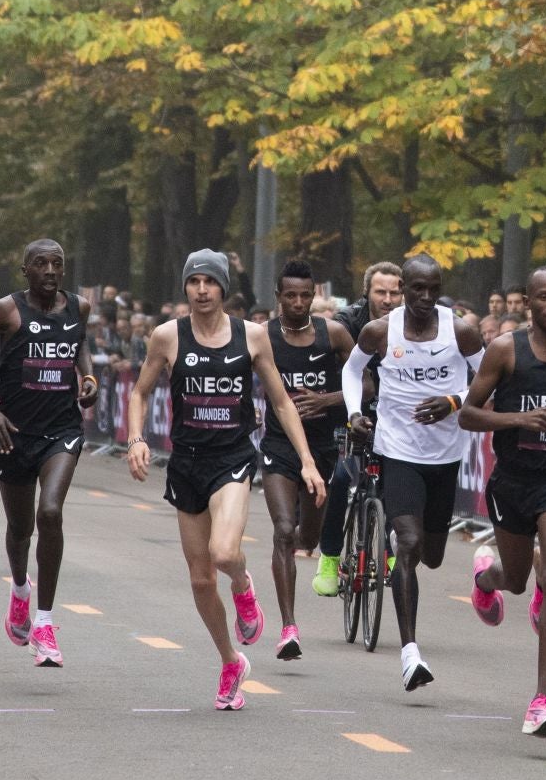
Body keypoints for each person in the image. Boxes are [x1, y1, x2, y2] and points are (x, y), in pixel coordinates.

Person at [126, 250, 325, 710]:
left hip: (232, 459)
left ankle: (242, 584)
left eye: (209, 282)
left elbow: (280, 402)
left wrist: (308, 461)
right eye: (193, 282)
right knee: (198, 580)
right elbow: (139, 392)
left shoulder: (251, 336)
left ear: (223, 288)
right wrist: (136, 437)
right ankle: (230, 660)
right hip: (187, 462)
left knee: (222, 553)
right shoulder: (166, 337)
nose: (200, 290)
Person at [460, 266, 546, 737]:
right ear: (529, 302)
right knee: (519, 580)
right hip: (514, 482)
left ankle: (545, 699)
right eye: (545, 297)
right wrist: (519, 420)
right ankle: (488, 578)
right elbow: (469, 415)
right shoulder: (506, 350)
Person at [341, 255, 484, 691]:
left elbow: (488, 378)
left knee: (433, 555)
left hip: (444, 454)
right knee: (409, 543)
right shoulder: (379, 331)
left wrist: (455, 401)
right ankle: (410, 654)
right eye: (416, 288)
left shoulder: (459, 330)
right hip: (398, 449)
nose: (424, 297)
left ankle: (419, 550)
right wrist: (353, 413)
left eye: (433, 289)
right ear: (403, 287)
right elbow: (351, 371)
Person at [0, 240, 98, 668]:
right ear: (25, 270)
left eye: (57, 263)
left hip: (61, 432)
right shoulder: (5, 310)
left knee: (49, 512)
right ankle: (20, 588)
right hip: (12, 433)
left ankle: (45, 622)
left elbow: (80, 344)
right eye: (41, 264)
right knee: (20, 529)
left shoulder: (80, 307)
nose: (51, 270)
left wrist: (87, 376)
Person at [262, 260, 355, 660]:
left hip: (326, 447)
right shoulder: (262, 337)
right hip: (279, 446)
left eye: (306, 295)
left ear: (315, 295)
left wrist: (328, 400)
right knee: (284, 530)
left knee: (308, 539)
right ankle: (288, 627)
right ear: (278, 297)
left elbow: (365, 380)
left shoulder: (332, 334)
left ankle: (312, 547)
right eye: (290, 296)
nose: (298, 302)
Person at [314, 261, 403, 593]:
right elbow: (338, 370)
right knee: (342, 477)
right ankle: (331, 558)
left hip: (395, 415)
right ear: (367, 292)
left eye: (395, 292)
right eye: (381, 291)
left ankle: (392, 555)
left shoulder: (415, 323)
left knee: (395, 484)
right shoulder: (347, 322)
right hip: (352, 410)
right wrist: (343, 405)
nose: (388, 298)